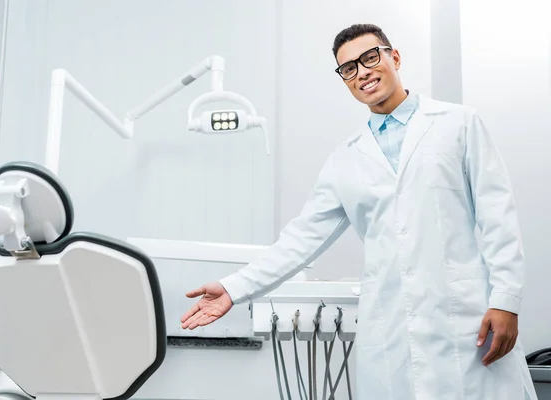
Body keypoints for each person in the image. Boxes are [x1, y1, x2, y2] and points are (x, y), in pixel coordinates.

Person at [180, 23, 537, 400]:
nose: (362, 72)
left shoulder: (458, 124)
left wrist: (505, 300)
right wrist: (234, 288)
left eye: (370, 58)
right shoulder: (344, 160)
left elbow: (498, 217)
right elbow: (300, 240)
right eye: (349, 68)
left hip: (465, 318)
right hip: (392, 329)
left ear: (394, 57)